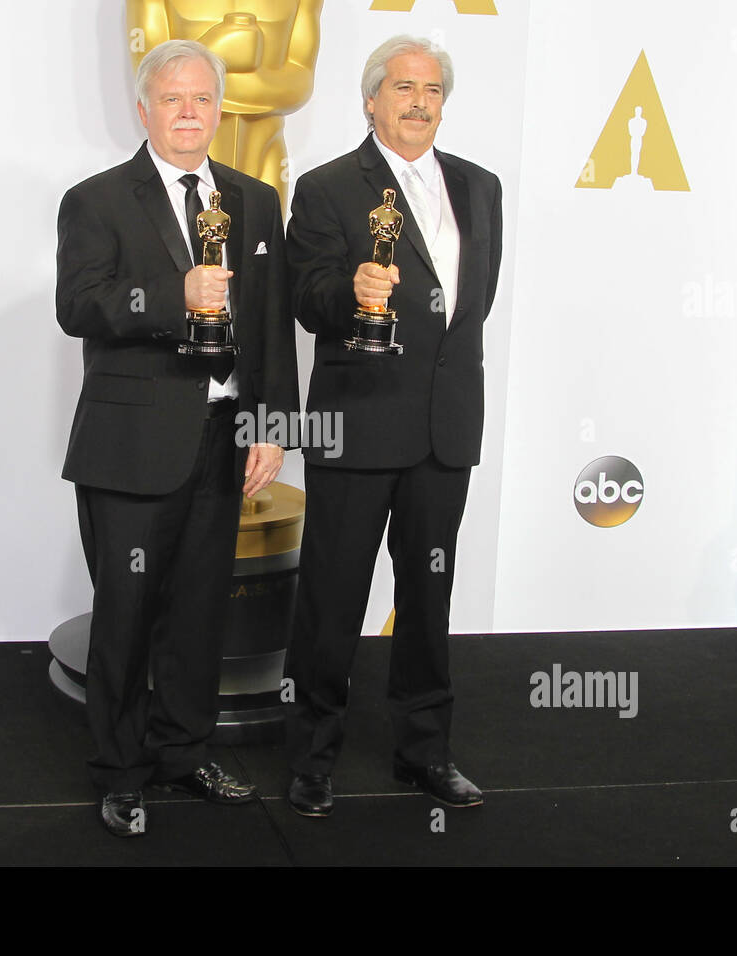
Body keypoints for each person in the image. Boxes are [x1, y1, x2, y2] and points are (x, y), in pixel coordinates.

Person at [56, 39, 298, 836]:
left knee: (199, 612)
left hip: (226, 438)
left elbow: (268, 325)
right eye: (173, 99)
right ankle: (121, 772)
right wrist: (172, 292)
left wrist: (272, 423)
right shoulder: (96, 200)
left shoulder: (255, 201)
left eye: (201, 99)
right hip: (130, 448)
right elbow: (79, 308)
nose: (189, 112)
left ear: (218, 109)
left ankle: (184, 752)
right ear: (145, 110)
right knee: (126, 613)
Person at [282, 34, 502, 817]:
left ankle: (425, 753)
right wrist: (352, 292)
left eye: (433, 89)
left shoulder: (481, 188)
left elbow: (471, 309)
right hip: (357, 424)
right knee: (333, 598)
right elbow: (305, 299)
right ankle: (311, 759)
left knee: (430, 595)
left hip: (445, 432)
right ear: (371, 98)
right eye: (404, 87)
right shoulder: (327, 187)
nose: (419, 101)